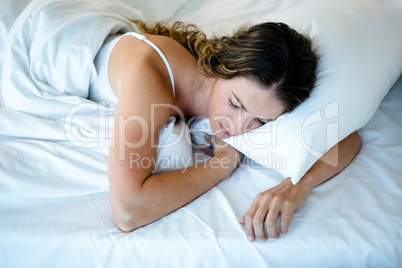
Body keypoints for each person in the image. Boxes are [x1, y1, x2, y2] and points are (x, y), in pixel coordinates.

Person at [90, 20, 361, 241]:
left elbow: (348, 139)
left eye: (260, 122)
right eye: (234, 103)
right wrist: (222, 164)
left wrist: (298, 185)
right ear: (224, 65)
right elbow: (127, 210)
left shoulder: (258, 101)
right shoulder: (150, 76)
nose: (238, 128)